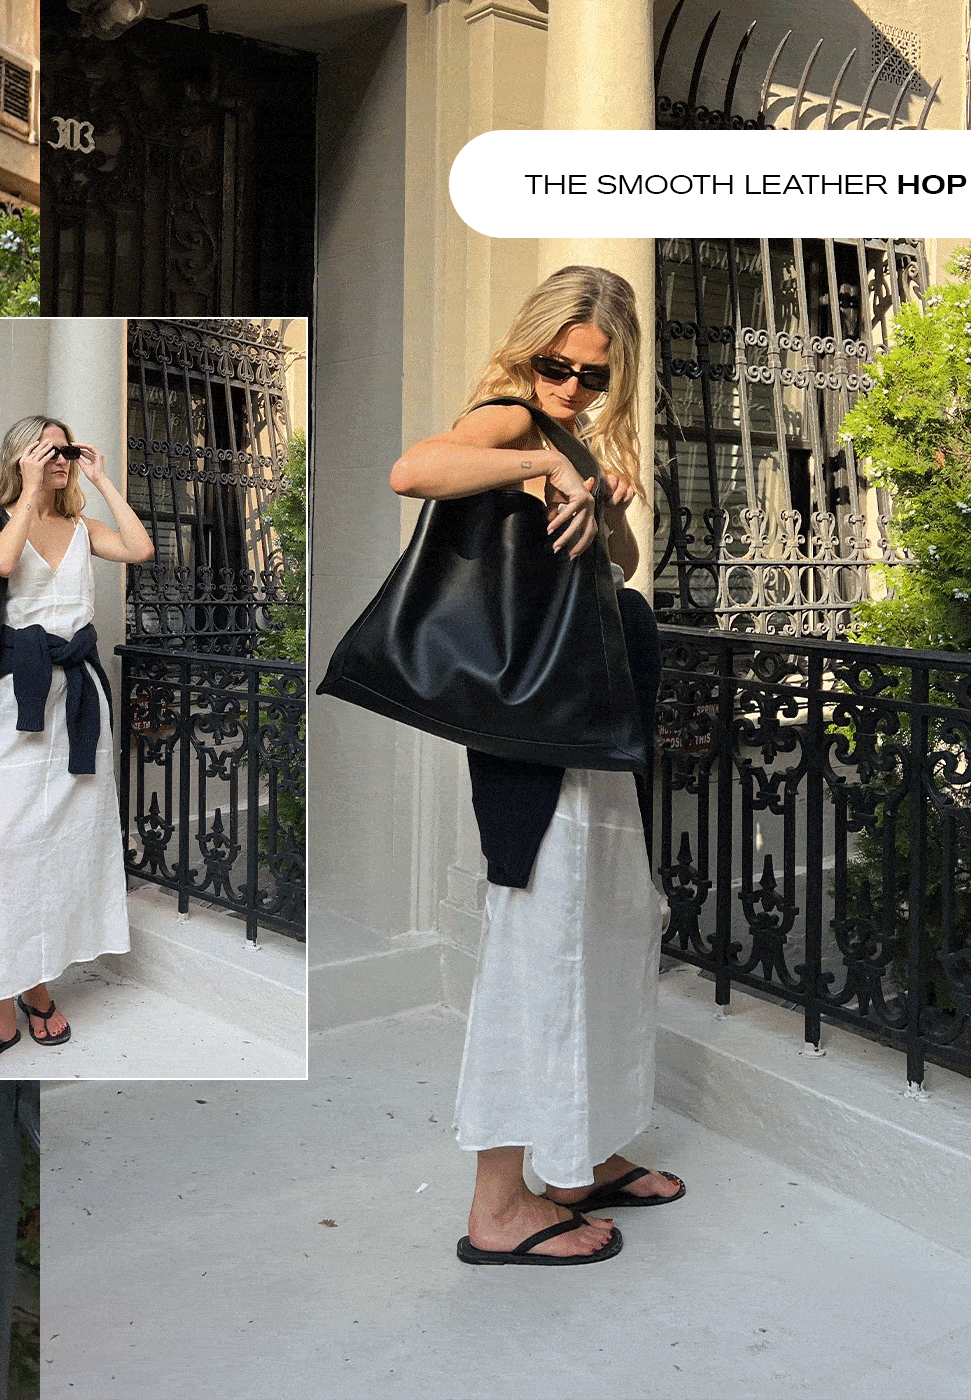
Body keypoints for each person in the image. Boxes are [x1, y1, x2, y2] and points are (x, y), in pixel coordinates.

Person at [386, 265, 683, 1266]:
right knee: (540, 947)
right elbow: (413, 470)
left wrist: (601, 496)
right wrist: (542, 464)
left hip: (588, 723)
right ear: (530, 350)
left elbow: (619, 564)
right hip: (537, 733)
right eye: (557, 364)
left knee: (606, 930)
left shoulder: (576, 435)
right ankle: (498, 1204)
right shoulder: (510, 415)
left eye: (592, 375)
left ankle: (581, 1156)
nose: (570, 386)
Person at [0, 418, 156, 1077]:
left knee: (62, 848)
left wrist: (102, 479)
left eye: (66, 450)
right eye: (48, 450)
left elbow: (140, 548)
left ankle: (37, 989)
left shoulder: (82, 526)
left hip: (79, 704)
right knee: (3, 853)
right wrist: (31, 492)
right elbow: (3, 563)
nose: (60, 459)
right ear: (22, 456)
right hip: (16, 703)